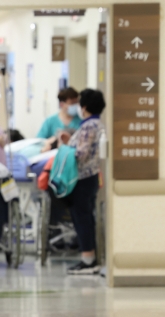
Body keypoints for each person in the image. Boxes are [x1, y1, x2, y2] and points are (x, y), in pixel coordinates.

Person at [60, 89, 106, 275]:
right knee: (87, 217)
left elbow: (81, 153)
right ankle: (89, 257)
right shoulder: (97, 124)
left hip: (83, 178)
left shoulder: (88, 126)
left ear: (84, 107)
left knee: (82, 218)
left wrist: (66, 149)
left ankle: (88, 259)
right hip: (92, 176)